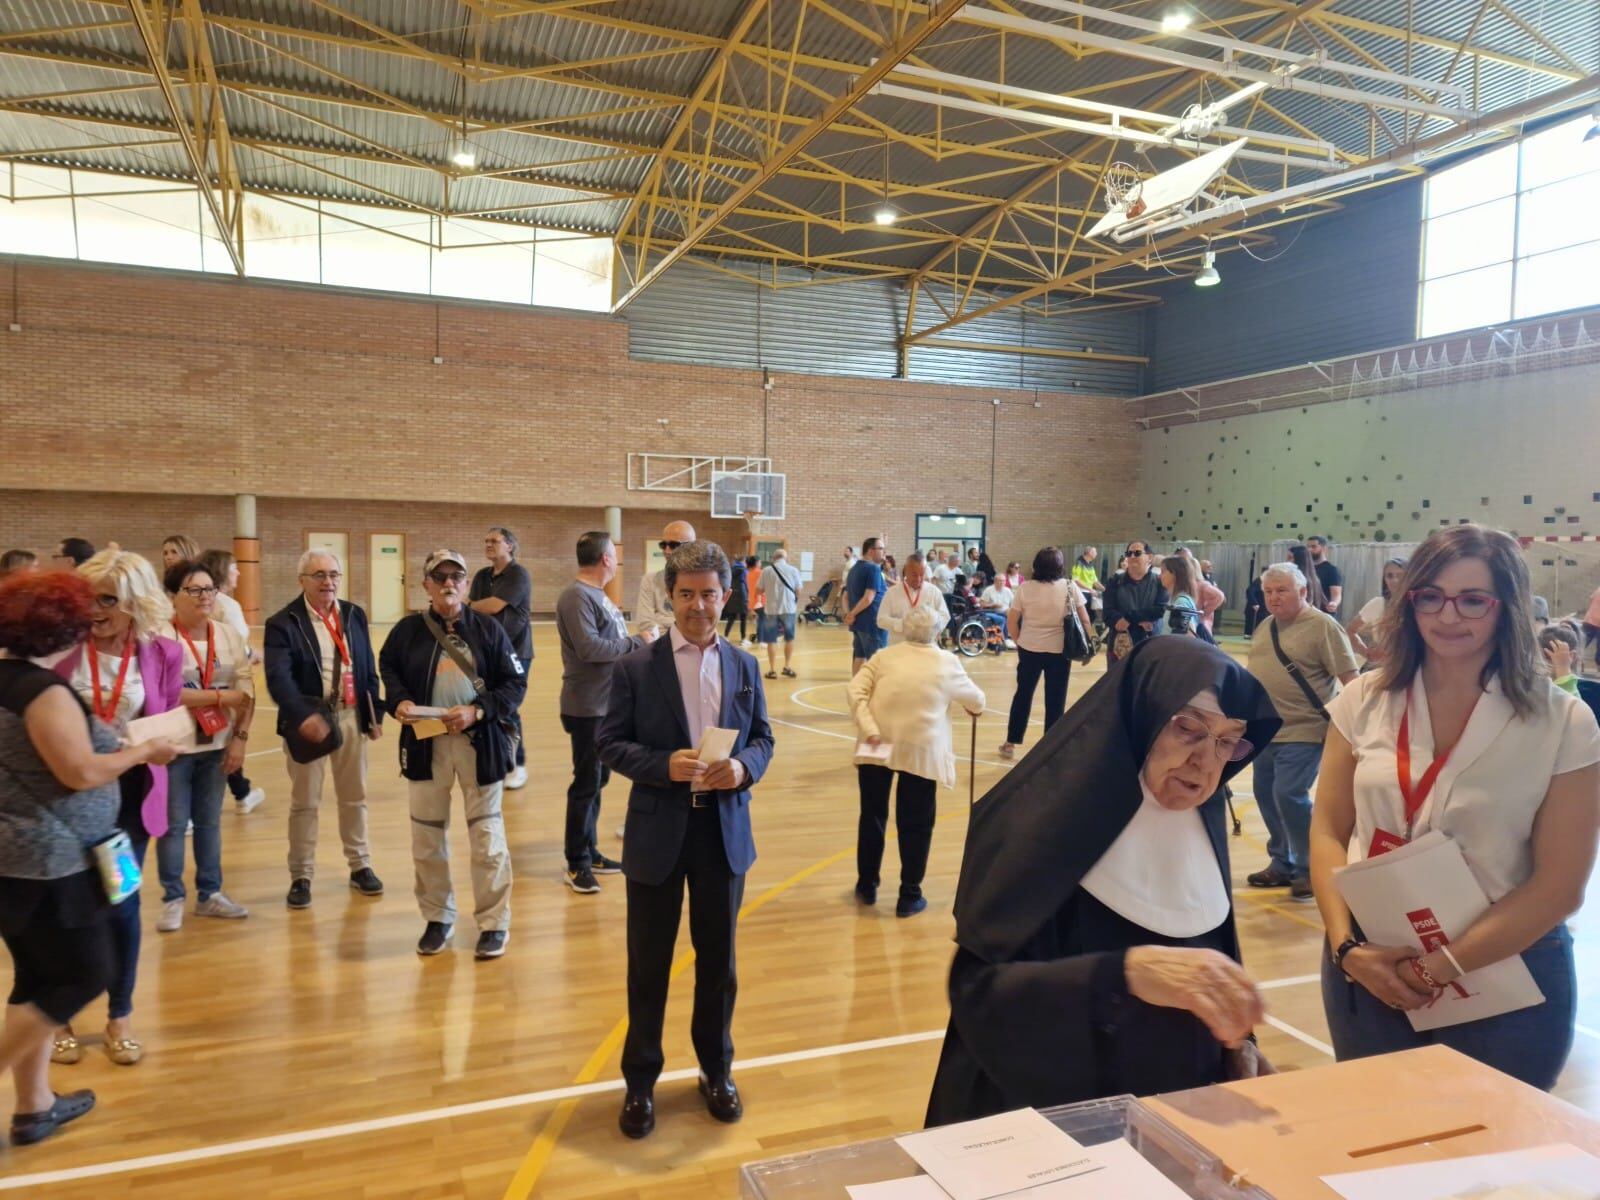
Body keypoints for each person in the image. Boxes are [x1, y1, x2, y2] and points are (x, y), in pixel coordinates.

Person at [925, 638, 1282, 1124]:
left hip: (1174, 1118)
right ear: (1141, 716)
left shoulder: (1203, 823)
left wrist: (1237, 1045)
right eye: (1188, 729)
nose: (1207, 763)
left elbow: (1213, 957)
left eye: (1228, 741)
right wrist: (1125, 974)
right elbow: (981, 997)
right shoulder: (1040, 826)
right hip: (1050, 1122)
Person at [1310, 526, 1600, 1090]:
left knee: (1490, 1170)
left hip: (1504, 970)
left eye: (1472, 600)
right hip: (1371, 965)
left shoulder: (1562, 722)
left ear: (1507, 607)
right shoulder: (1362, 700)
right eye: (1431, 597)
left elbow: (1561, 886)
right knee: (1376, 1146)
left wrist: (1438, 967)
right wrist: (1347, 949)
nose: (1448, 616)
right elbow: (1327, 830)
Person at [598, 541, 774, 1140]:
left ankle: (715, 1071)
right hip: (658, 831)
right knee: (648, 966)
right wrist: (661, 764)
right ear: (669, 597)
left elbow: (764, 739)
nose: (698, 605)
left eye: (709, 593)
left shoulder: (746, 667)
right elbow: (609, 742)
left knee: (719, 965)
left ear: (727, 596)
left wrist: (745, 768)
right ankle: (640, 1082)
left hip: (722, 832)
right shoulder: (635, 667)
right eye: (686, 594)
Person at [0, 570, 180, 1145]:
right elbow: (77, 771)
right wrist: (144, 752)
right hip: (52, 860)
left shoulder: (13, 678)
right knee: (85, 973)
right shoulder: (41, 689)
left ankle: (34, 1106)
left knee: (37, 977)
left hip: (56, 851)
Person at [41, 549, 182, 1069]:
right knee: (62, 909)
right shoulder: (58, 649)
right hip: (64, 798)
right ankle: (58, 1017)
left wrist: (158, 741)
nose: (95, 610)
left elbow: (165, 720)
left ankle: (119, 1014)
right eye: (89, 598)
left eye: (108, 600)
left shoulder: (161, 652)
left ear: (134, 603)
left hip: (128, 801)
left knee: (121, 904)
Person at [382, 550, 526, 959]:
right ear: (425, 584)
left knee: (487, 838)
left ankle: (494, 923)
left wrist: (478, 711)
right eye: (439, 576)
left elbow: (514, 684)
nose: (448, 583)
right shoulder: (406, 631)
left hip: (479, 746)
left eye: (456, 576)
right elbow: (388, 668)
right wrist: (399, 702)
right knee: (427, 837)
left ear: (466, 585)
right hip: (425, 746)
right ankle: (437, 918)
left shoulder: (490, 630)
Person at [264, 550, 385, 910]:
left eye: (333, 574)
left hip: (350, 717)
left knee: (355, 798)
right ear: (301, 580)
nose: (327, 582)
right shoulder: (283, 622)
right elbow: (278, 678)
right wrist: (302, 716)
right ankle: (301, 875)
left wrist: (373, 711)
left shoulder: (353, 614)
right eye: (318, 575)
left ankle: (360, 865)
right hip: (308, 723)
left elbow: (367, 664)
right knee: (305, 804)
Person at [849, 607, 984, 917]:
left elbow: (854, 689)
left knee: (872, 815)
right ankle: (909, 895)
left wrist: (869, 728)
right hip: (919, 750)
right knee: (917, 824)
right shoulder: (947, 661)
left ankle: (866, 884)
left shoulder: (883, 656)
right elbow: (977, 700)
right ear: (936, 633)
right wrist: (970, 707)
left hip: (875, 743)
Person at [1245, 562, 1359, 901]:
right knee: (1266, 795)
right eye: (1268, 592)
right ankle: (1282, 861)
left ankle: (1311, 868)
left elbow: (1350, 680)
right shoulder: (1265, 626)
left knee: (1289, 794)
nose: (1273, 598)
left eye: (1282, 591)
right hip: (1266, 730)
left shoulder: (1323, 626)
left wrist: (1351, 730)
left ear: (1304, 591)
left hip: (1307, 729)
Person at [154, 560, 253, 932]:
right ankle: (172, 897)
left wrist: (239, 740)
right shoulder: (160, 637)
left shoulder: (228, 635)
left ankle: (210, 894)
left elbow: (247, 693)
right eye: (193, 590)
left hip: (217, 745)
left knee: (210, 823)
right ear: (173, 596)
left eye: (209, 589)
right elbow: (162, 694)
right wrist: (219, 696)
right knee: (174, 825)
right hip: (174, 748)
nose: (204, 596)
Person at [556, 531, 652, 894]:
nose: (617, 560)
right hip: (587, 707)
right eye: (614, 554)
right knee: (585, 783)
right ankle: (576, 862)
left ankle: (590, 849)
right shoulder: (576, 596)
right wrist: (637, 643)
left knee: (598, 781)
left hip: (606, 705)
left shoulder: (597, 596)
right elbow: (590, 648)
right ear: (606, 559)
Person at [998, 547, 1091, 760]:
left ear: (1035, 565)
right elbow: (1085, 620)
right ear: (1060, 566)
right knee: (1056, 700)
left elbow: (1012, 622)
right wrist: (1089, 648)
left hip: (1030, 649)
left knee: (1023, 695)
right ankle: (1051, 748)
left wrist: (1020, 642)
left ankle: (1011, 743)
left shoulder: (1024, 588)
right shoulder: (1070, 586)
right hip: (1060, 652)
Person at [198, 549, 264, 814]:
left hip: (200, 680)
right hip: (222, 682)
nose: (238, 571)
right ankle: (238, 794)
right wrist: (253, 654)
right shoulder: (227, 605)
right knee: (223, 739)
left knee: (212, 738)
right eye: (234, 567)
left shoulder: (204, 601)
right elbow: (237, 645)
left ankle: (241, 790)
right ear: (223, 571)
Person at [469, 526, 533, 792]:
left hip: (516, 654)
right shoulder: (482, 575)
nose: (488, 544)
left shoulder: (518, 574)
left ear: (510, 545)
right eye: (486, 540)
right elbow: (473, 609)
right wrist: (472, 606)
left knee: (508, 707)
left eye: (494, 541)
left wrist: (470, 605)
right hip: (485, 652)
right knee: (486, 704)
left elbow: (493, 606)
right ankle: (493, 759)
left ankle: (517, 765)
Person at [1102, 539, 1167, 664]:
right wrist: (1120, 619)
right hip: (1120, 646)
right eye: (1129, 553)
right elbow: (1107, 612)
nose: (1132, 557)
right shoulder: (1115, 581)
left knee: (1146, 682)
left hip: (1149, 644)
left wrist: (1127, 618)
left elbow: (1160, 610)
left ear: (1149, 557)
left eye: (1137, 553)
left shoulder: (1159, 582)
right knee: (1117, 682)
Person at [635, 520, 696, 639]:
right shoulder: (650, 580)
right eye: (663, 545)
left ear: (691, 547)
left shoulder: (702, 582)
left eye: (674, 545)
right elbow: (644, 624)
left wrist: (660, 618)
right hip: (661, 647)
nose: (667, 551)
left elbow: (698, 623)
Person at [878, 552, 949, 648]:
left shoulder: (934, 592)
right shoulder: (892, 593)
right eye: (914, 575)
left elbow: (945, 616)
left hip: (926, 648)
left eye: (922, 574)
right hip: (899, 647)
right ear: (906, 571)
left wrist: (933, 628)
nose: (919, 579)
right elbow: (881, 620)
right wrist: (902, 624)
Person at [1347, 556, 1409, 664]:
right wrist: (1366, 653)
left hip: (1411, 665)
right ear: (1384, 579)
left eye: (1400, 576)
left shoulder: (1419, 605)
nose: (1394, 580)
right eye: (1389, 576)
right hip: (1382, 666)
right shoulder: (1377, 604)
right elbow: (1350, 630)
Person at [843, 537, 889, 674]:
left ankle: (856, 689)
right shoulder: (873, 569)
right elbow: (868, 598)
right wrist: (851, 614)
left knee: (859, 656)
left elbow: (845, 596)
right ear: (870, 551)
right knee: (877, 662)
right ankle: (877, 692)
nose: (883, 552)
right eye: (881, 548)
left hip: (858, 624)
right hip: (872, 623)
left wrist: (848, 614)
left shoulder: (854, 568)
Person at [757, 548, 802, 679]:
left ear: (773, 558)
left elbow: (758, 590)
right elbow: (798, 590)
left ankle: (772, 670)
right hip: (789, 609)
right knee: (789, 638)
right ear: (785, 558)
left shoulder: (766, 571)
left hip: (771, 610)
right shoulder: (793, 570)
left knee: (771, 640)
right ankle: (787, 667)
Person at [1161, 555, 1201, 638]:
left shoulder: (1181, 602)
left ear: (1174, 574)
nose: (1159, 576)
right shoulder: (1175, 599)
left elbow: (1188, 638)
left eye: (1163, 571)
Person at [1537, 624, 1581, 696]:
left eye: (1549, 658)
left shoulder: (1581, 688)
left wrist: (1563, 669)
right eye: (1541, 658)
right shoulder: (1536, 682)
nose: (1545, 664)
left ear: (1571, 657)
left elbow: (1571, 704)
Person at [1306, 535, 1343, 616]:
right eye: (1308, 547)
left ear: (1323, 548)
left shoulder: (1331, 570)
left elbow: (1336, 594)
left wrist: (1334, 603)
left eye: (1313, 546)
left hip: (1324, 614)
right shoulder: (1305, 569)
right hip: (1307, 614)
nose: (1309, 550)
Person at [1287, 543, 1328, 612]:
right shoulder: (1314, 579)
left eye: (1290, 558)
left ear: (1300, 559)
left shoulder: (1301, 581)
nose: (1287, 561)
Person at [722, 553, 750, 646]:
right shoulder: (744, 570)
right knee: (743, 618)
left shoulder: (731, 569)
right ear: (744, 561)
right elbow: (747, 583)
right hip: (742, 595)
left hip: (733, 594)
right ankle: (743, 639)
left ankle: (725, 636)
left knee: (732, 617)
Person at [1071, 547, 1103, 629]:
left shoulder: (1091, 565)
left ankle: (1087, 635)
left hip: (1089, 594)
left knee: (1092, 616)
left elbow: (1095, 581)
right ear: (1089, 552)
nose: (1096, 554)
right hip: (1081, 593)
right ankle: (1082, 636)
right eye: (1095, 551)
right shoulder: (1078, 563)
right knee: (1083, 618)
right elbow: (1075, 580)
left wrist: (1105, 589)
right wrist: (1090, 589)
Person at [977, 574, 1013, 644]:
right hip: (993, 611)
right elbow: (982, 604)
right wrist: (992, 605)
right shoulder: (989, 590)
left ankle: (1009, 637)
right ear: (995, 581)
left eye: (1004, 581)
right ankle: (1004, 638)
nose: (1002, 582)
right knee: (1005, 616)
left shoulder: (1008, 590)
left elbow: (1013, 603)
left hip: (1006, 611)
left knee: (1017, 614)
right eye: (1000, 581)